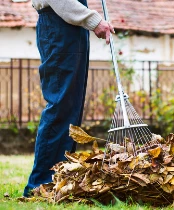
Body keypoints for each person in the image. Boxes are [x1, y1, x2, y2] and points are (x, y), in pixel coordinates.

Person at [23, 0, 115, 197]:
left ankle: (61, 179)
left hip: (71, 29)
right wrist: (94, 20)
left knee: (71, 108)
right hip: (59, 26)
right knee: (61, 105)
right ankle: (41, 184)